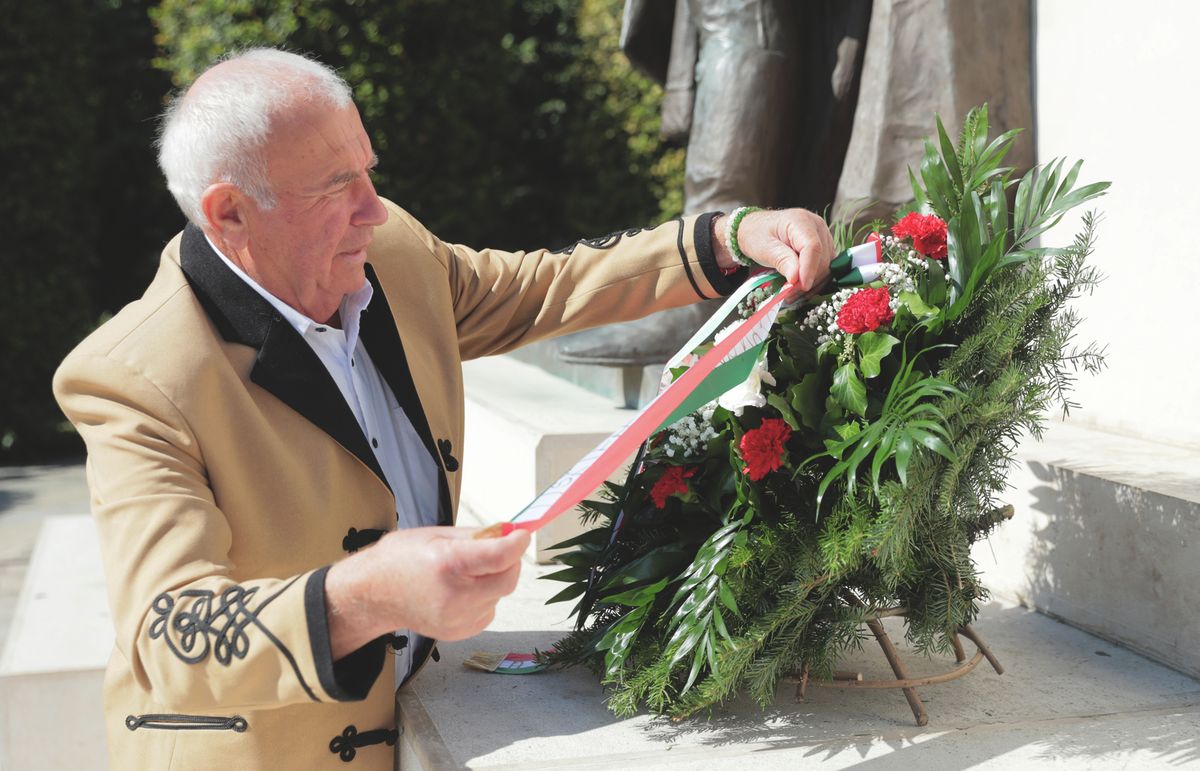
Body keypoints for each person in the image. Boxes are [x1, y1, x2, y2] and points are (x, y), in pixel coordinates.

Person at [53, 48, 833, 769]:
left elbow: (542, 286)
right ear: (228, 214)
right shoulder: (131, 379)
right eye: (336, 187)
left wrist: (732, 238)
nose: (374, 210)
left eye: (369, 170)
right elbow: (175, 636)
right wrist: (367, 593)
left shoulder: (393, 254)